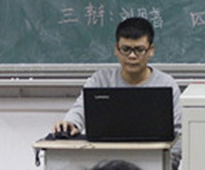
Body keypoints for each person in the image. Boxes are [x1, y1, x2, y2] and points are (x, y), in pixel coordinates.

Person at [52, 17, 182, 170]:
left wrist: (167, 164)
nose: (132, 56)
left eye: (139, 50)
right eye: (126, 49)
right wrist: (70, 124)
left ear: (151, 50)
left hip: (153, 163)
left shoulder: (166, 84)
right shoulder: (100, 80)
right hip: (105, 162)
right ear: (116, 50)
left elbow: (179, 133)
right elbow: (80, 109)